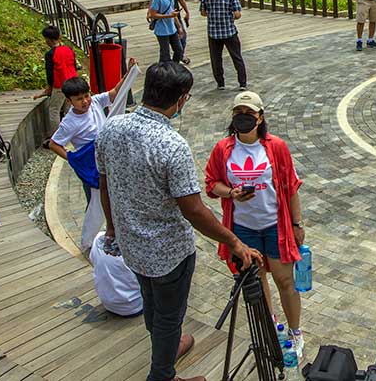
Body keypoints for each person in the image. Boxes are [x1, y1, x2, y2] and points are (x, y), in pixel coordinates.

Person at [97, 62, 263, 381]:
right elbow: (194, 209)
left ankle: (167, 346)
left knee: (151, 303)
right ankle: (163, 374)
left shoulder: (111, 128)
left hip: (131, 244)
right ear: (181, 100)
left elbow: (105, 183)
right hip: (170, 254)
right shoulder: (172, 145)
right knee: (169, 316)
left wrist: (113, 227)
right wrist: (234, 241)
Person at [204, 91, 306, 358]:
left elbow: (292, 187)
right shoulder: (222, 149)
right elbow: (212, 183)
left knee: (285, 280)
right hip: (243, 228)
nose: (243, 118)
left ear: (260, 118)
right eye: (238, 113)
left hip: (275, 224)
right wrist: (231, 193)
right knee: (258, 282)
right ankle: (270, 326)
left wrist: (297, 223)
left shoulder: (277, 147)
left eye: (249, 114)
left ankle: (295, 332)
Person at [48, 63, 137, 207]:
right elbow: (54, 144)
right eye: (79, 99)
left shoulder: (94, 102)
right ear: (69, 101)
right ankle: (94, 227)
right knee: (95, 200)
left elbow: (114, 94)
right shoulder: (69, 122)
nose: (85, 101)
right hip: (92, 162)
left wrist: (127, 75)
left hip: (107, 156)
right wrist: (74, 159)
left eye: (86, 96)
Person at [200, 0, 248, 91]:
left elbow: (203, 13)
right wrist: (229, 16)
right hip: (229, 31)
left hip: (213, 32)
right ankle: (242, 83)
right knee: (236, 57)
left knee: (216, 59)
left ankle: (220, 83)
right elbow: (237, 14)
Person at [33, 25, 79, 135]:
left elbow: (50, 74)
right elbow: (74, 65)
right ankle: (72, 132)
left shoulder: (50, 54)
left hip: (60, 85)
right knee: (69, 109)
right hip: (73, 82)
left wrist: (50, 88)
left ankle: (57, 136)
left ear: (48, 39)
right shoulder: (69, 49)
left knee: (54, 110)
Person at [88, 231, 143, 317]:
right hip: (136, 305)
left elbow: (92, 260)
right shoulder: (135, 246)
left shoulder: (98, 237)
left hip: (108, 303)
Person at [149, 0, 191, 64]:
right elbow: (153, 14)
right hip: (162, 29)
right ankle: (164, 71)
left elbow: (174, 10)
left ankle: (174, 67)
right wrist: (169, 16)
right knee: (165, 54)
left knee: (179, 50)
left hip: (172, 27)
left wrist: (179, 27)